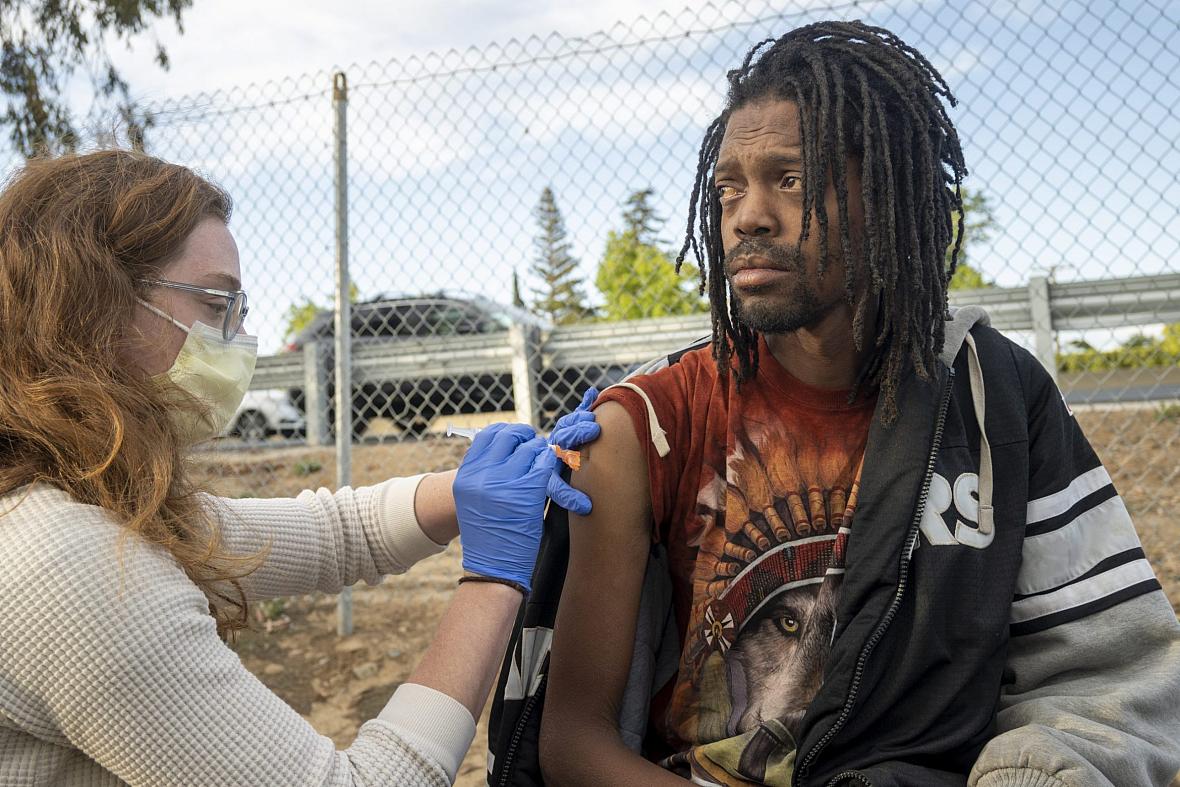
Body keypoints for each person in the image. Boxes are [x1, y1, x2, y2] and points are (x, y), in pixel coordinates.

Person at [538, 20, 1180, 787]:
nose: (749, 215)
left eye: (792, 179)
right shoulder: (649, 425)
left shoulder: (991, 398)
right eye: (729, 187)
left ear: (885, 194)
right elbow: (573, 743)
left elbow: (1108, 678)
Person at [0, 148, 598, 786]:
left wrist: (467, 491)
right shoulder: (72, 565)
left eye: (239, 311)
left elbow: (335, 534)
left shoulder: (69, 500)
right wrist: (491, 583)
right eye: (214, 304)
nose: (235, 339)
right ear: (95, 304)